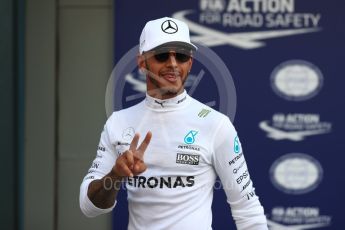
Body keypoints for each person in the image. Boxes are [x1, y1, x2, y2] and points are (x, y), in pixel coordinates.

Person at [79, 16, 268, 230]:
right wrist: (115, 175)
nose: (172, 63)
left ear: (190, 62)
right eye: (161, 55)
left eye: (180, 55)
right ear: (142, 62)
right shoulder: (118, 122)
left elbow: (247, 209)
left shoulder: (216, 125)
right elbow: (89, 207)